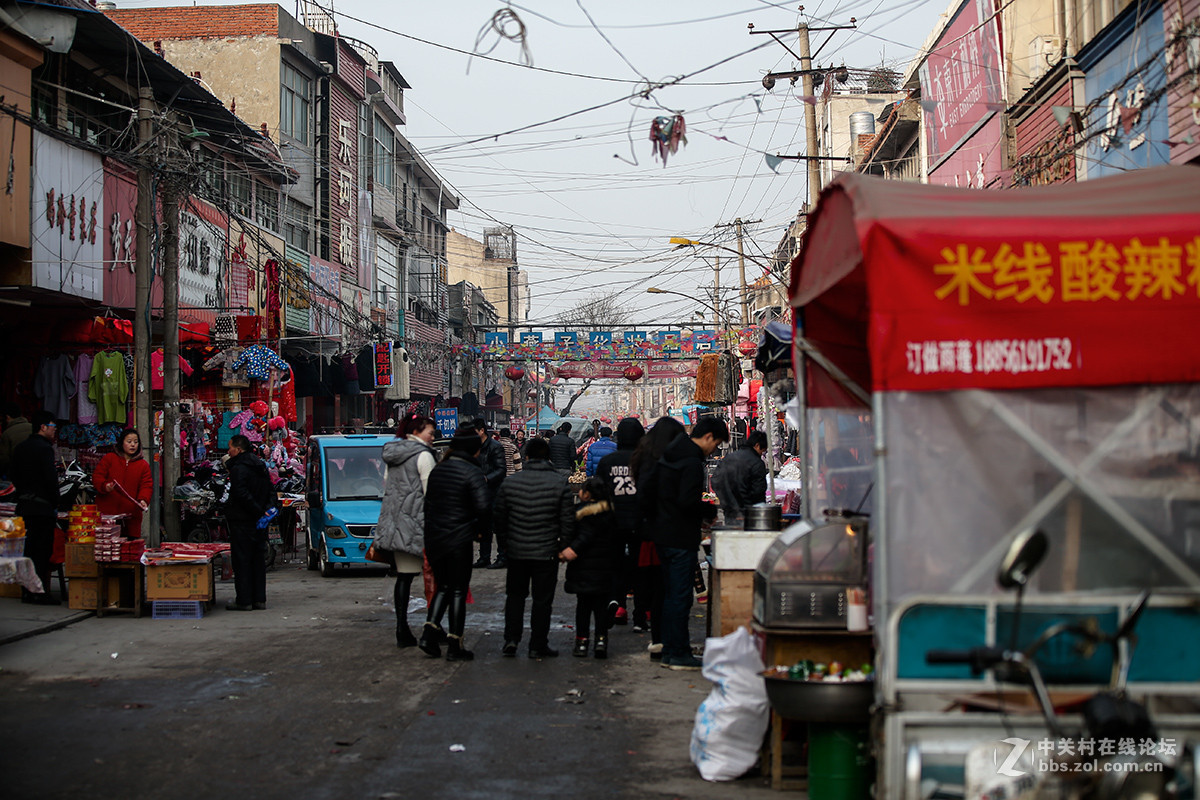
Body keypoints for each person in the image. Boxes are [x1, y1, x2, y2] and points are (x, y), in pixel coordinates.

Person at [641, 417, 729, 670]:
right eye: (717, 444)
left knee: (671, 595)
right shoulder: (690, 461)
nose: (714, 450)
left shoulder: (669, 455)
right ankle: (678, 653)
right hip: (680, 536)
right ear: (709, 437)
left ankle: (670, 649)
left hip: (663, 534)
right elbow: (687, 501)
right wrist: (709, 511)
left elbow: (649, 490)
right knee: (680, 597)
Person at [493, 436, 575, 659]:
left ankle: (511, 639)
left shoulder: (510, 483)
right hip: (547, 552)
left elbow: (499, 519)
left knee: (515, 597)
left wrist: (506, 545)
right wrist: (563, 546)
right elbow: (568, 521)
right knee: (542, 600)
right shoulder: (559, 484)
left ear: (526, 457)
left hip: (517, 551)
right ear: (548, 458)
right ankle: (538, 644)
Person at [419, 428, 490, 661]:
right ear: (474, 450)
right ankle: (454, 644)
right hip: (458, 538)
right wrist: (480, 531)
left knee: (443, 587)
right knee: (458, 589)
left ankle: (429, 633)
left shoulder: (439, 470)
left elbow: (427, 504)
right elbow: (483, 508)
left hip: (434, 537)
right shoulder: (473, 472)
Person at [375, 414, 437, 648]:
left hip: (397, 524)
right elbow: (431, 493)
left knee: (404, 577)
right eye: (430, 432)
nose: (433, 437)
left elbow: (387, 485)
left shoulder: (394, 456)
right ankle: (433, 627)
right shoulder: (423, 455)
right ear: (418, 430)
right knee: (435, 579)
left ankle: (402, 628)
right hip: (420, 525)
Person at [628, 417, 685, 659]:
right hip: (665, 531)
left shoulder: (642, 457)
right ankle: (665, 638)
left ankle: (648, 625)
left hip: (644, 529)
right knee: (666, 586)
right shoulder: (668, 461)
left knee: (645, 578)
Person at [561, 477, 620, 659]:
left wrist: (569, 550)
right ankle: (601, 640)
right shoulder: (612, 513)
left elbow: (580, 535)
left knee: (584, 606)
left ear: (587, 494)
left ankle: (582, 641)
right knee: (600, 606)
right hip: (605, 566)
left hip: (583, 567)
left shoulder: (580, 514)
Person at [595, 417, 646, 630]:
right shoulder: (647, 461)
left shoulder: (607, 462)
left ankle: (618, 607)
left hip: (612, 523)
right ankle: (640, 618)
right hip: (641, 523)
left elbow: (598, 494)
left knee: (615, 566)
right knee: (640, 569)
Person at [11, 411, 59, 603]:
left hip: (24, 506)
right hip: (42, 509)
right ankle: (38, 592)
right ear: (43, 427)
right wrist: (55, 501)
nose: (55, 431)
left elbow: (13, 473)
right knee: (41, 551)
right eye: (53, 427)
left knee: (27, 550)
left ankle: (26, 591)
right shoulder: (44, 449)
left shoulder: (21, 448)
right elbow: (50, 479)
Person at [224, 434, 275, 611]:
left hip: (243, 521)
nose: (228, 452)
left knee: (243, 560)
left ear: (238, 449)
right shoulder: (260, 466)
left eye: (230, 448)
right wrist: (265, 511)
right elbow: (270, 489)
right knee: (257, 560)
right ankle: (259, 599)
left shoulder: (239, 469)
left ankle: (244, 600)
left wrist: (257, 511)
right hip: (259, 522)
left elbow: (241, 493)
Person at [93, 429, 152, 540]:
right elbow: (97, 476)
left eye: (135, 442)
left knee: (129, 552)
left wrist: (143, 500)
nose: (133, 445)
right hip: (108, 515)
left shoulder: (143, 465)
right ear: (121, 443)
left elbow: (146, 485)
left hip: (131, 517)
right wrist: (105, 486)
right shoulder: (109, 458)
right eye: (129, 441)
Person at [710, 430, 769, 525]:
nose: (762, 454)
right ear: (757, 445)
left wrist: (726, 501)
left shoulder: (728, 458)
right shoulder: (757, 463)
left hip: (729, 512)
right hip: (749, 514)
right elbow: (758, 491)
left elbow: (715, 480)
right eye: (763, 451)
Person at [471, 418, 508, 569]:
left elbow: (501, 469)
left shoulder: (495, 446)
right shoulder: (473, 447)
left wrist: (487, 478)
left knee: (498, 527)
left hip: (495, 491)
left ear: (481, 431)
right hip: (479, 492)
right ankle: (484, 557)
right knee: (483, 525)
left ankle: (502, 557)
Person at [0, 401, 32, 479]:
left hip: (17, 475)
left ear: (7, 417)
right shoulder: (33, 427)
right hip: (36, 473)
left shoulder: (7, 433)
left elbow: (4, 459)